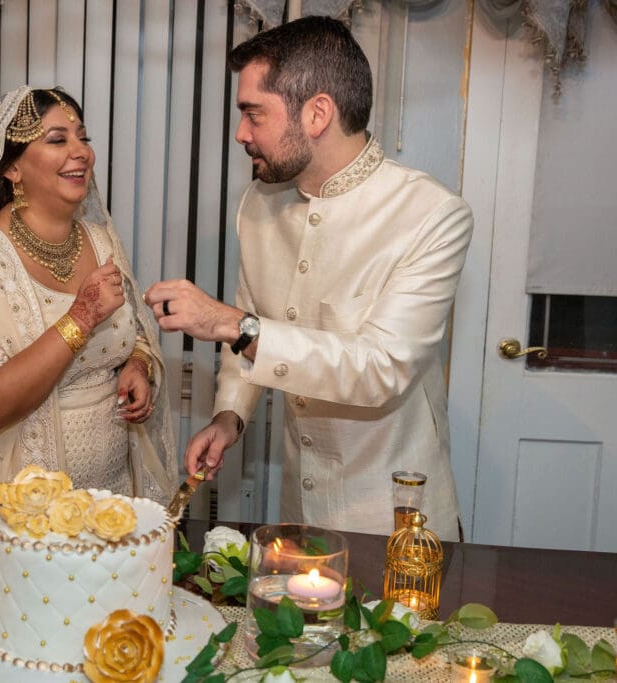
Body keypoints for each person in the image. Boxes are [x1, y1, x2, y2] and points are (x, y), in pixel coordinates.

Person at [144, 17, 472, 540]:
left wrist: (232, 324)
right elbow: (255, 326)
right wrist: (230, 416)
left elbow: (380, 369)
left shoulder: (431, 215)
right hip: (299, 504)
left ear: (317, 113)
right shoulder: (258, 203)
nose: (241, 133)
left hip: (395, 519)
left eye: (254, 113)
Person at [0, 86, 176, 504]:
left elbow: (134, 333)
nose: (81, 152)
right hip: (18, 509)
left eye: (83, 137)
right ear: (12, 167)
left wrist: (139, 365)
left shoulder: (102, 241)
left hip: (111, 498)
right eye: (57, 140)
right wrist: (81, 317)